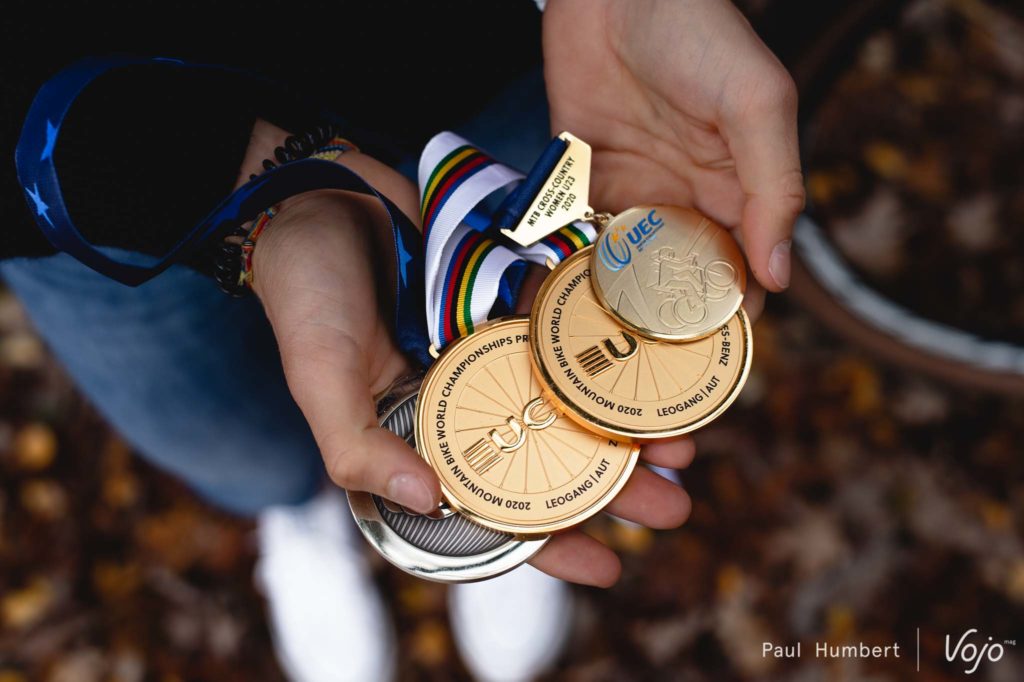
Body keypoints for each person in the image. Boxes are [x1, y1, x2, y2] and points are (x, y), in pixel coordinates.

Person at [1, 1, 802, 679]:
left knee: (483, 331)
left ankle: (499, 509)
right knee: (237, 448)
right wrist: (187, 167)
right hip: (81, 179)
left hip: (496, 53)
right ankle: (299, 509)